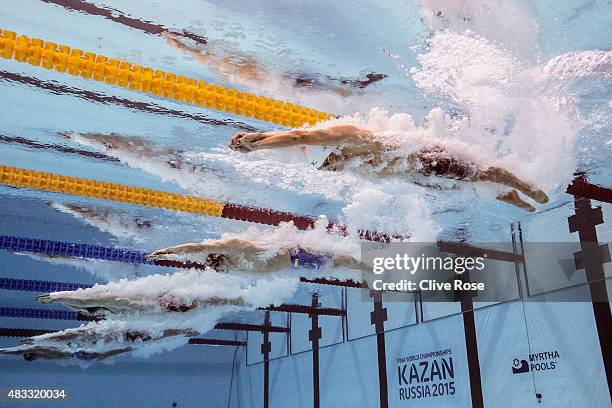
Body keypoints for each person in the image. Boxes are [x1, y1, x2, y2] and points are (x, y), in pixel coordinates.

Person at [228, 124, 549, 211]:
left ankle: (530, 188)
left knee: (483, 173)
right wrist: (256, 138)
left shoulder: (347, 136)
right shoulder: (328, 156)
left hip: (425, 158)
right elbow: (294, 141)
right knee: (473, 187)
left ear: (330, 148)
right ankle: (519, 200)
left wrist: (255, 147)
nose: (333, 167)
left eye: (331, 160)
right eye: (328, 167)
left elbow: (299, 135)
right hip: (415, 175)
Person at [163, 32, 386, 97]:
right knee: (335, 88)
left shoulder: (231, 69)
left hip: (286, 81)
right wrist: (185, 49)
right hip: (289, 81)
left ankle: (359, 88)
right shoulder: (230, 67)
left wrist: (185, 49)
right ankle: (361, 89)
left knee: (333, 87)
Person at [146, 236, 364, 273]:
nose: (218, 272)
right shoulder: (236, 267)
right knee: (338, 262)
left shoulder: (235, 249)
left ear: (217, 258)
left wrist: (170, 253)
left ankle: (373, 268)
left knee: (340, 261)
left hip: (296, 256)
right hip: (294, 264)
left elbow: (196, 249)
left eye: (215, 268)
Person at [0, 327, 199, 362]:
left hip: (86, 349)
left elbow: (19, 351)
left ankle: (184, 332)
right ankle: (185, 332)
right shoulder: (50, 353)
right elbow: (107, 354)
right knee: (157, 337)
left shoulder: (44, 352)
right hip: (87, 351)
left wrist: (3, 351)